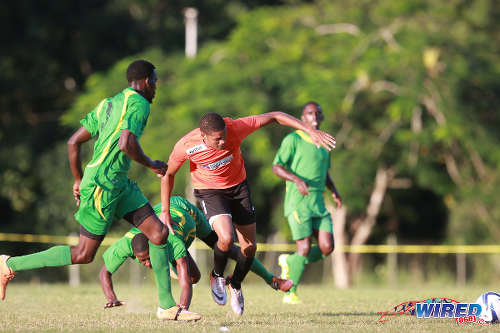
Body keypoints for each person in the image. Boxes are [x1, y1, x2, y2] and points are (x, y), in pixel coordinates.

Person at [0, 60, 200, 321]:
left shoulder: (108, 103)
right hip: (102, 186)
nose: (156, 87)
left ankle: (167, 307)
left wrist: (77, 179)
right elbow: (126, 142)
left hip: (118, 184)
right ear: (148, 81)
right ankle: (8, 264)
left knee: (159, 234)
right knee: (84, 254)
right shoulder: (140, 104)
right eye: (156, 81)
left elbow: (73, 142)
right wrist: (151, 164)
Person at [160, 111, 336, 315]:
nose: (223, 141)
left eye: (224, 135)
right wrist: (165, 210)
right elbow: (168, 174)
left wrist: (309, 130)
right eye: (218, 139)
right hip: (210, 192)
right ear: (204, 136)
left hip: (238, 189)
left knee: (250, 248)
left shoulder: (235, 128)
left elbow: (275, 116)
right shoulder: (186, 145)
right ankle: (216, 275)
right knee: (225, 238)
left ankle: (235, 284)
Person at [99, 196, 293, 309]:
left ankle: (272, 279)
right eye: (144, 261)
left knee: (229, 248)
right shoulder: (125, 244)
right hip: (168, 216)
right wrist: (111, 298)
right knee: (194, 277)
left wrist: (182, 309)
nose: (147, 264)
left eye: (149, 258)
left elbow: (184, 280)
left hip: (188, 214)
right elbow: (104, 272)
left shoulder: (171, 241)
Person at [272, 102, 342, 305]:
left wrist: (334, 190)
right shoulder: (293, 139)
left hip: (318, 203)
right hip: (298, 202)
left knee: (327, 247)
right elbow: (277, 167)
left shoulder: (325, 143)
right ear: (302, 118)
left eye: (318, 112)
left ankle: (289, 261)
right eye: (310, 113)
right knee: (303, 247)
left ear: (322, 117)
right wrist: (297, 179)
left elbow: (325, 172)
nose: (314, 115)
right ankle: (290, 292)